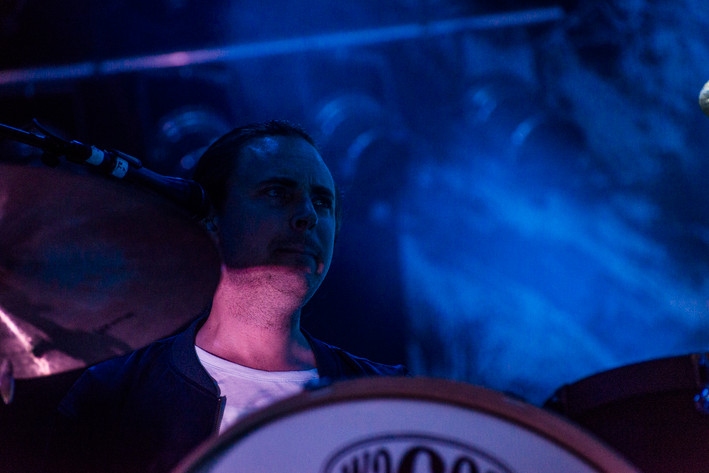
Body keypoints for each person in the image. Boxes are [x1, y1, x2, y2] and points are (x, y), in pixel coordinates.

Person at [50, 120, 408, 473]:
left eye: (322, 202)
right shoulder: (113, 397)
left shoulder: (392, 398)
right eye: (277, 193)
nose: (307, 216)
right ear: (210, 219)